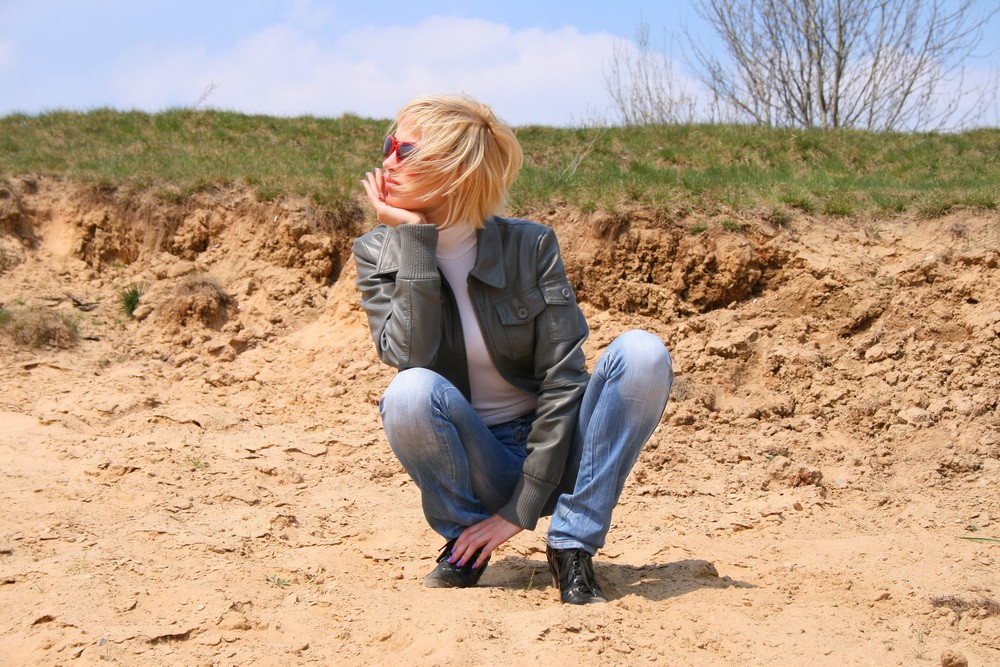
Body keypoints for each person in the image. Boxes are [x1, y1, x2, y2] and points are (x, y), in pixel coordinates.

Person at [354, 94, 673, 605]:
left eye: (404, 150)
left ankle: (572, 544)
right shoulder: (377, 250)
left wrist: (519, 510)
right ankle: (465, 547)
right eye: (387, 145)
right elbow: (408, 355)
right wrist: (414, 242)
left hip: (562, 443)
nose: (387, 161)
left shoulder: (531, 245)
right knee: (410, 391)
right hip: (480, 458)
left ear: (454, 168)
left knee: (643, 354)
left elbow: (565, 379)